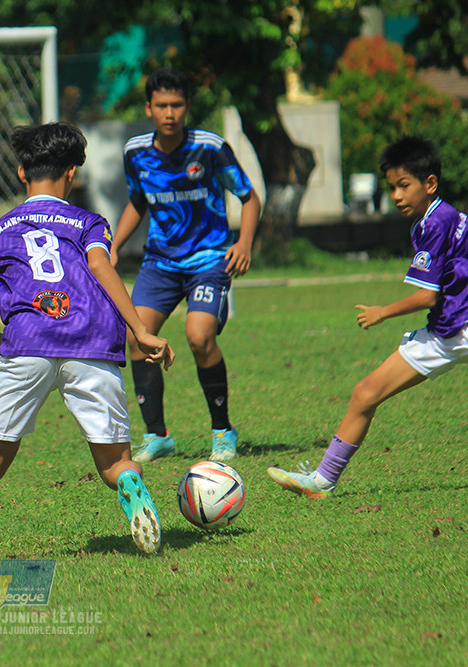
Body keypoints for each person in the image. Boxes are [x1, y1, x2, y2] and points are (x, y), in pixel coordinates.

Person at [0, 122, 175, 568]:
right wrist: (140, 330)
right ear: (72, 174)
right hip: (91, 345)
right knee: (115, 462)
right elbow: (101, 266)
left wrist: (11, 343)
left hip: (27, 344)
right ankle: (129, 482)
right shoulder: (88, 223)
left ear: (22, 173)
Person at [268, 135, 468, 498]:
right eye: (392, 188)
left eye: (404, 186)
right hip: (444, 333)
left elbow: (427, 296)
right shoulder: (450, 215)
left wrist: (383, 312)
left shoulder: (434, 224)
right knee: (365, 393)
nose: (397, 196)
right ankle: (322, 482)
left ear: (429, 184)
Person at [110, 68, 261, 463]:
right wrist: (113, 246)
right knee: (138, 339)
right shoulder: (136, 152)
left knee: (198, 336)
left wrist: (243, 243)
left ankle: (223, 431)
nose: (170, 112)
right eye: (162, 105)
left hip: (210, 260)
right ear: (149, 108)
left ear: (187, 107)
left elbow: (249, 197)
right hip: (160, 262)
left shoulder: (210, 148)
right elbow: (138, 202)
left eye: (177, 104)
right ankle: (158, 436)